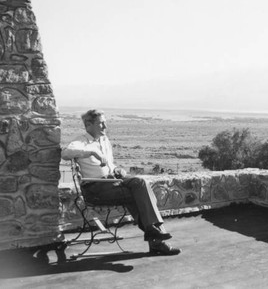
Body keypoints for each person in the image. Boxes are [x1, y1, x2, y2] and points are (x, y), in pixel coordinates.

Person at [61, 109, 181, 256]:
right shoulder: (81, 141)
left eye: (105, 123)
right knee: (139, 194)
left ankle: (153, 231)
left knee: (140, 184)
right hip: (96, 188)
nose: (105, 127)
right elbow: (65, 153)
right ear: (88, 125)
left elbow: (110, 165)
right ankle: (156, 238)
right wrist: (92, 152)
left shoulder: (104, 140)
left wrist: (117, 169)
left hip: (113, 181)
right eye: (101, 123)